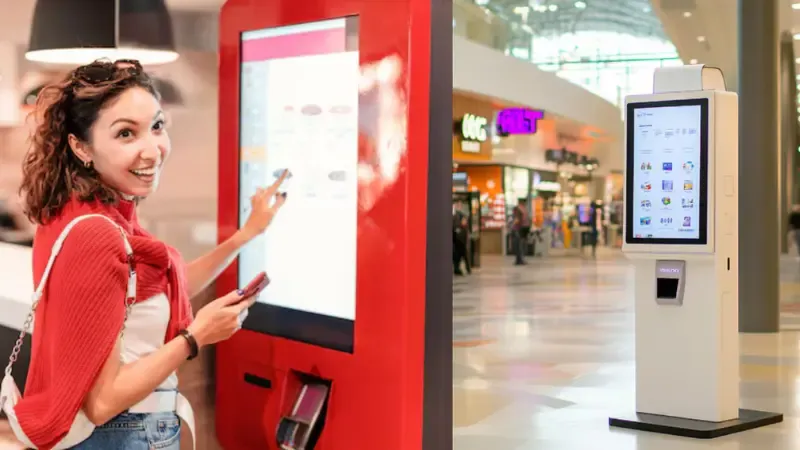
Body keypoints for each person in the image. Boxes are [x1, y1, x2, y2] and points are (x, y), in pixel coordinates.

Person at [3, 59, 287, 449]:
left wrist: (245, 236)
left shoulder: (81, 213)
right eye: (125, 134)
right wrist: (195, 336)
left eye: (157, 126)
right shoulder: (98, 236)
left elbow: (162, 289)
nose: (152, 150)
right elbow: (102, 404)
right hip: (121, 436)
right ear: (81, 146)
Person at [452, 202, 470, 275]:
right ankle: (458, 268)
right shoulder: (455, 216)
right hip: (456, 239)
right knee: (458, 255)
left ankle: (465, 268)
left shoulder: (461, 215)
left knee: (462, 254)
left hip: (461, 239)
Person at [511, 199, 528, 265]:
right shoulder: (524, 209)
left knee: (518, 245)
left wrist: (512, 225)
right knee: (521, 244)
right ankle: (521, 259)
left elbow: (517, 219)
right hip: (524, 229)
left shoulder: (517, 209)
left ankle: (519, 260)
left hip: (518, 229)